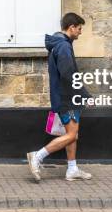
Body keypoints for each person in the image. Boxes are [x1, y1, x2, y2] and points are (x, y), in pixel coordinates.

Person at [26, 12, 92, 182]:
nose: (80, 32)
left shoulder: (59, 44)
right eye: (79, 28)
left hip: (63, 96)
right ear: (71, 27)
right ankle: (37, 156)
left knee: (72, 134)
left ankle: (72, 169)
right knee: (71, 135)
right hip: (67, 98)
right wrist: (84, 95)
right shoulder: (63, 46)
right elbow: (68, 74)